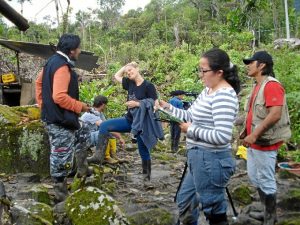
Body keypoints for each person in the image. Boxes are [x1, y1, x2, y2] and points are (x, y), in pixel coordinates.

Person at [159, 48, 240, 225]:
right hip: (197, 158)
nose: (200, 75)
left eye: (203, 71)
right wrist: (167, 107)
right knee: (185, 200)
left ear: (219, 72)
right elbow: (189, 116)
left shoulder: (224, 95)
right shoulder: (208, 90)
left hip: (212, 160)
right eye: (200, 70)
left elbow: (223, 136)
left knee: (213, 209)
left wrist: (191, 130)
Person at [35, 34, 91, 202]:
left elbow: (38, 83)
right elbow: (59, 97)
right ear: (72, 50)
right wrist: (80, 106)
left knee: (83, 133)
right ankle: (60, 192)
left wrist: (42, 105)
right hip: (59, 120)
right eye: (79, 48)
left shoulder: (51, 61)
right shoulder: (62, 67)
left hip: (57, 116)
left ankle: (82, 169)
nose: (80, 51)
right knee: (60, 153)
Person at [89, 62, 164, 184]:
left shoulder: (148, 86)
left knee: (143, 151)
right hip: (129, 120)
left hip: (141, 124)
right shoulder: (129, 83)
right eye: (127, 72)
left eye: (131, 70)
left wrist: (137, 104)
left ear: (137, 69)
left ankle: (147, 178)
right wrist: (125, 67)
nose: (129, 73)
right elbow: (116, 76)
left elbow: (155, 104)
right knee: (104, 126)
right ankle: (99, 155)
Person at [241, 51, 291, 225]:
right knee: (255, 177)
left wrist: (254, 134)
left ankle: (271, 218)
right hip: (255, 143)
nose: (247, 65)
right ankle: (265, 211)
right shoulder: (258, 86)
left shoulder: (271, 86)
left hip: (264, 142)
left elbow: (275, 114)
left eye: (250, 62)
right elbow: (253, 114)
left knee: (266, 180)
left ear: (261, 65)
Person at [80, 95, 125, 164]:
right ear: (103, 105)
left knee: (109, 132)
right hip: (84, 139)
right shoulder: (90, 114)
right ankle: (106, 157)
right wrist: (120, 137)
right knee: (104, 132)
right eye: (106, 105)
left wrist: (120, 137)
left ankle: (113, 155)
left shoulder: (99, 113)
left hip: (91, 136)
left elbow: (109, 126)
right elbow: (106, 127)